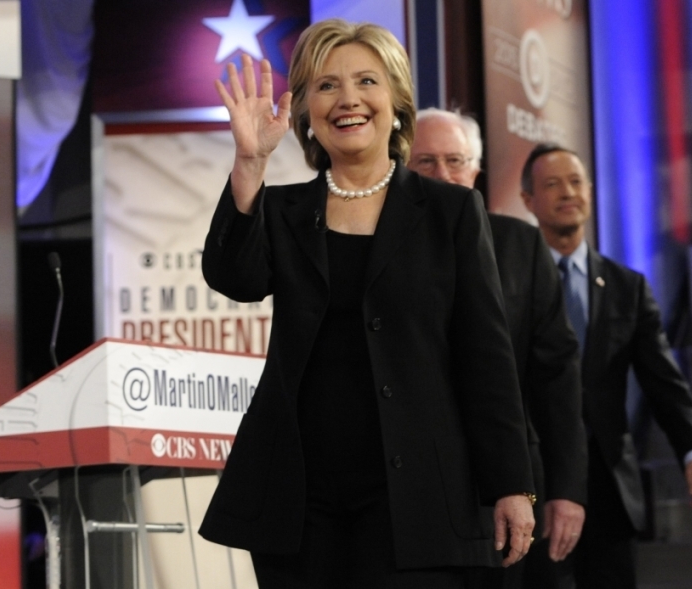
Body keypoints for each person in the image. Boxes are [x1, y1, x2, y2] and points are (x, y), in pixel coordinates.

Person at [197, 20, 536, 588]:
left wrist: (511, 483)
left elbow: (486, 356)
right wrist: (249, 162)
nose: (348, 99)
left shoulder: (451, 212)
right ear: (305, 109)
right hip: (299, 498)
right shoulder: (281, 211)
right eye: (326, 86)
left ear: (396, 102)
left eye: (366, 81)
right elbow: (234, 277)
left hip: (418, 494)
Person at [520, 142, 692, 589]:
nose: (568, 192)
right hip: (538, 481)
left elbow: (663, 379)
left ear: (590, 192)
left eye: (576, 182)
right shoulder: (513, 282)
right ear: (528, 201)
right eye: (552, 184)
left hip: (611, 487)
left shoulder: (628, 286)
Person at [409, 109, 587, 589]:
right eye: (425, 163)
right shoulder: (379, 247)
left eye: (455, 161)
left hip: (505, 484)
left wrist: (567, 490)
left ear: (476, 170)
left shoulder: (521, 246)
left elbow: (557, 377)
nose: (443, 175)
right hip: (409, 483)